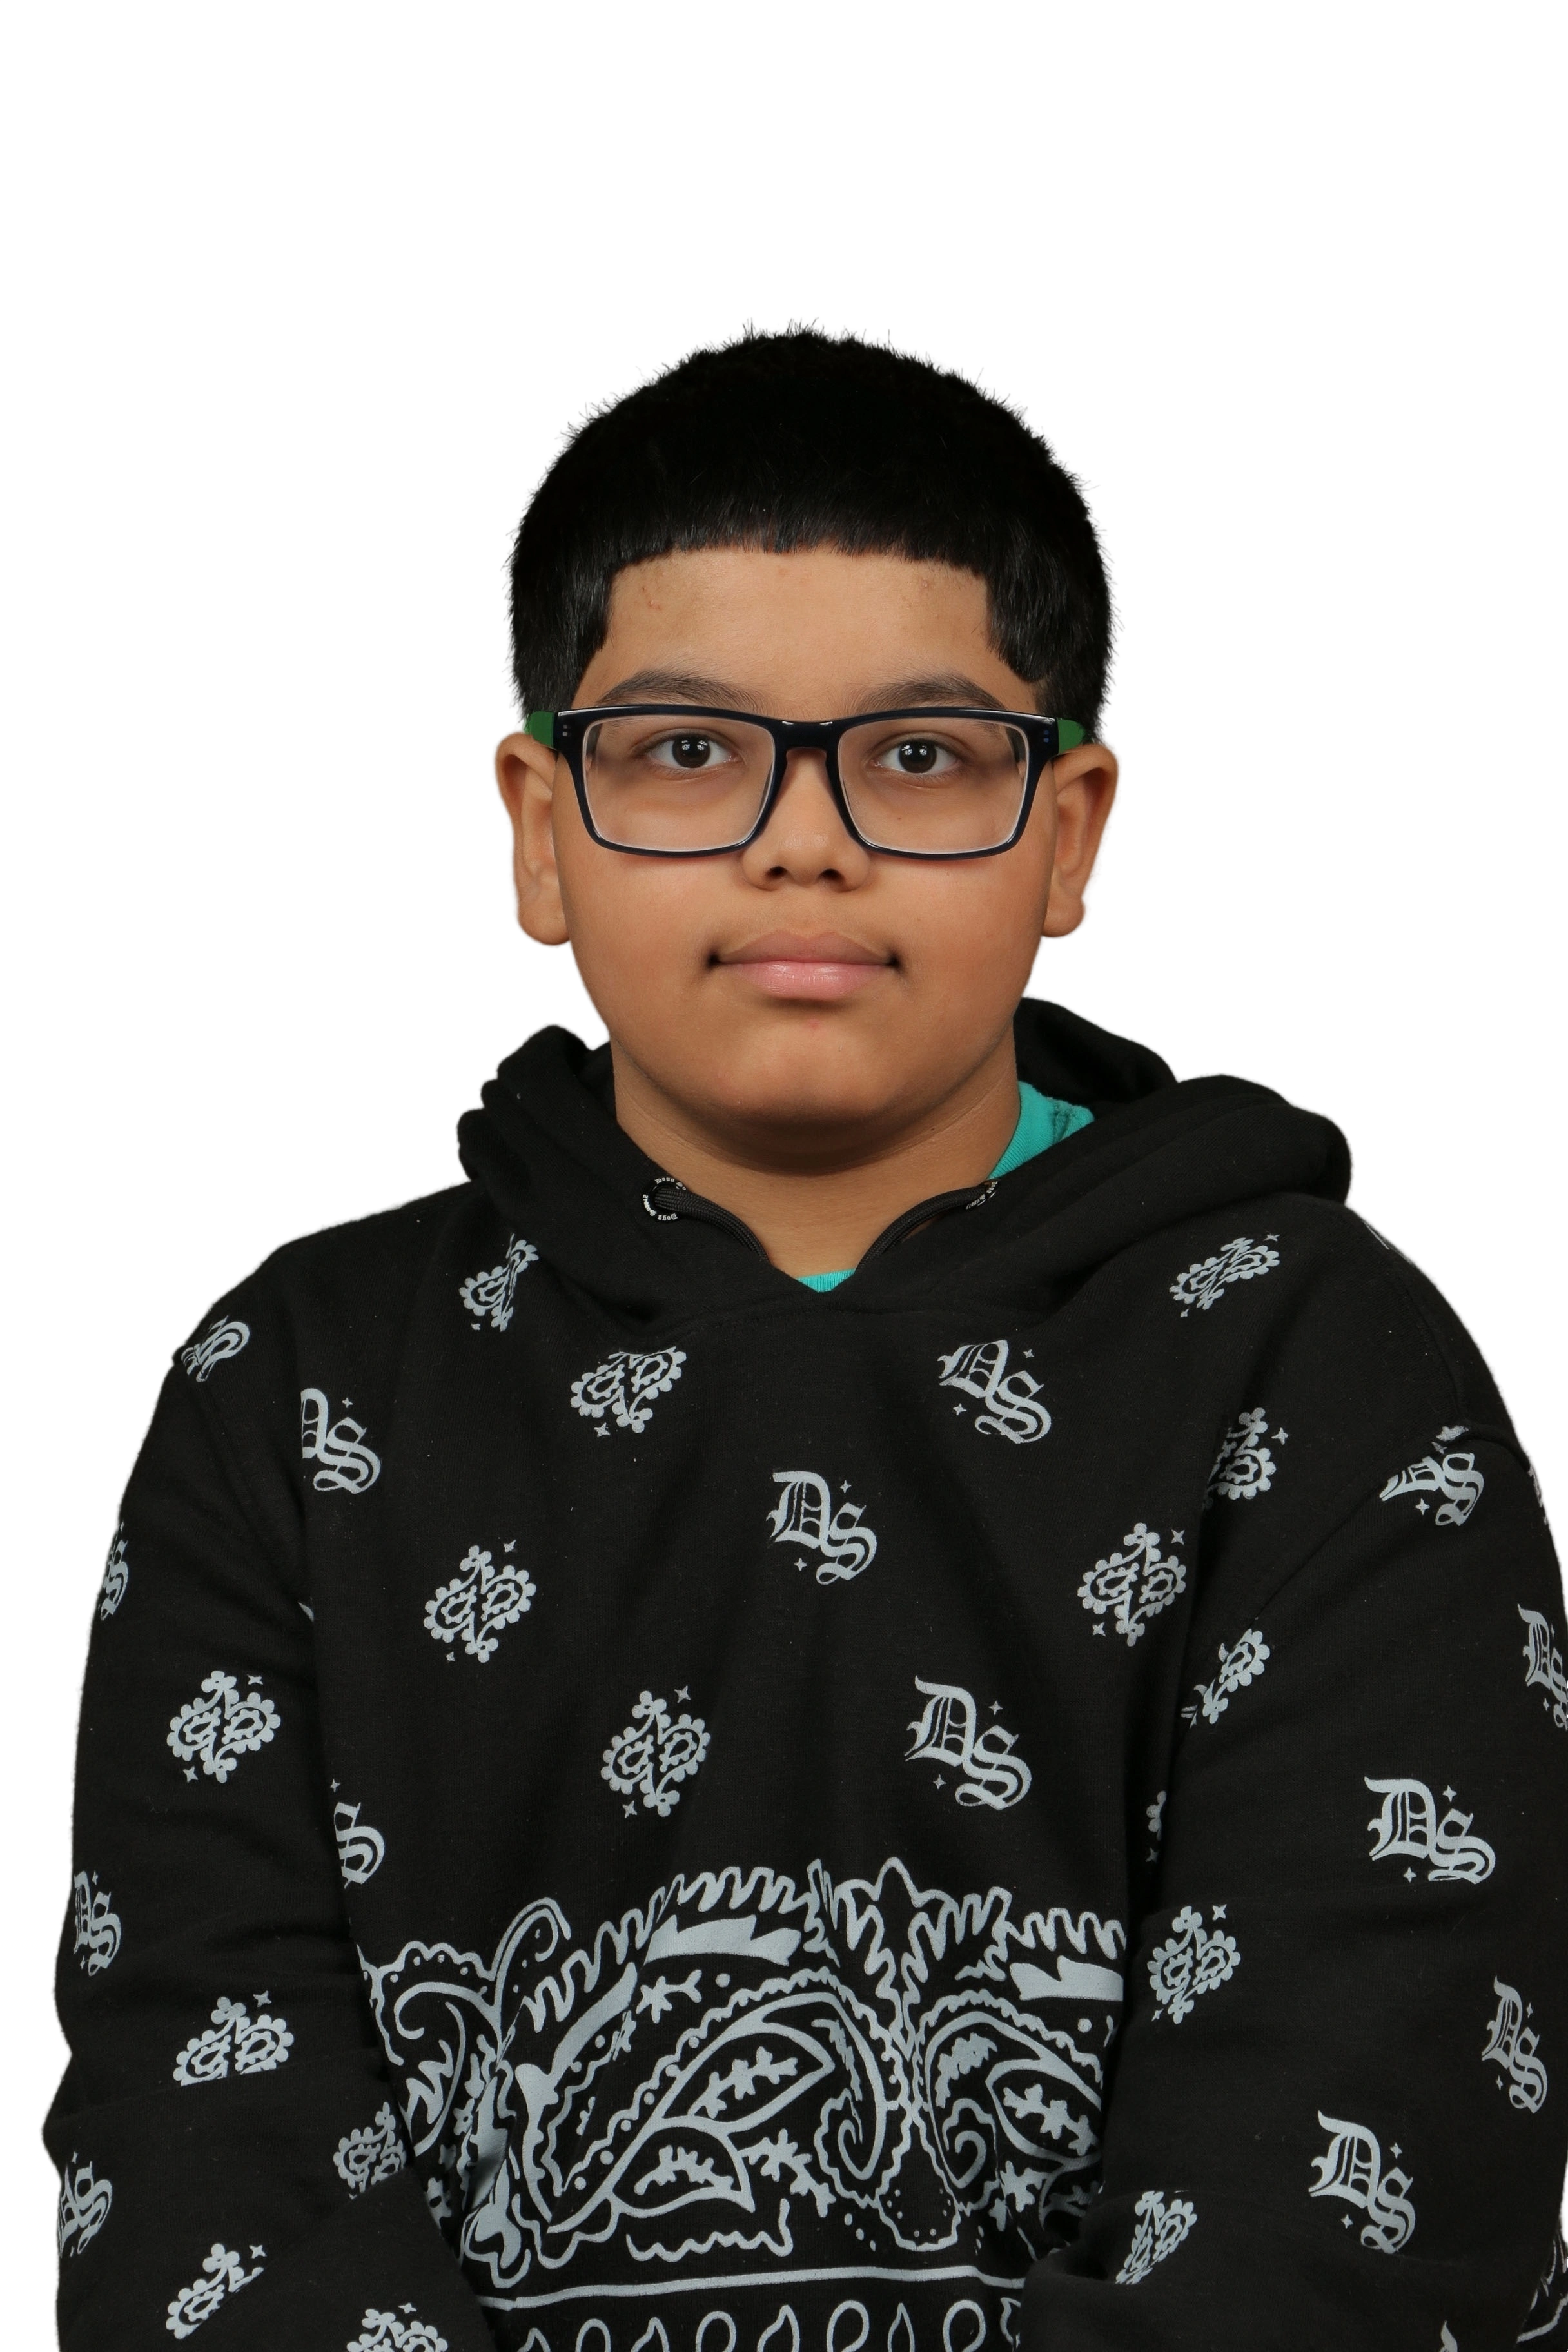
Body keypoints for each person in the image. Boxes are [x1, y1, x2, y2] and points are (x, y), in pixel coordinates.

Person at [41, 315, 1568, 2352]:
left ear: (1074, 829)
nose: (803, 836)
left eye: (919, 756)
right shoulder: (293, 1390)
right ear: (537, 824)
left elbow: (1384, 2113)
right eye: (688, 751)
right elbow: (197, 2135)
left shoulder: (1323, 1367)